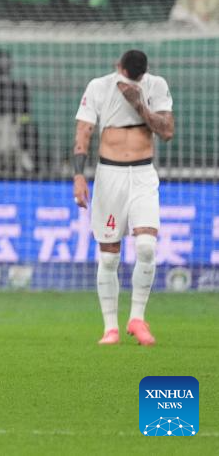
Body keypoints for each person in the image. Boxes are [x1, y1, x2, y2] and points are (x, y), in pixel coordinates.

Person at [73, 49, 174, 347]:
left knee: (146, 247)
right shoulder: (99, 86)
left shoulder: (156, 85)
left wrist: (139, 104)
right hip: (110, 176)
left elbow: (167, 131)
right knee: (109, 255)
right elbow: (84, 131)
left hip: (143, 175)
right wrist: (79, 175)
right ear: (118, 67)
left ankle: (137, 318)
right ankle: (110, 328)